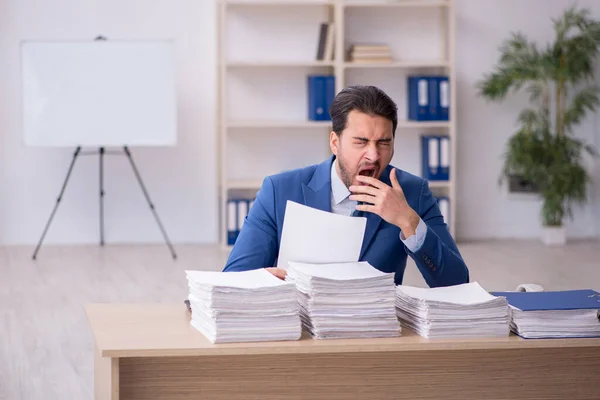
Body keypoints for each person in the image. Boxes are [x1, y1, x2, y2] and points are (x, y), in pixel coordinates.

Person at [222, 85, 469, 287]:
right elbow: (232, 281)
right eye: (360, 142)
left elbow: (457, 283)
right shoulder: (279, 190)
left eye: (383, 143)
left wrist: (408, 221)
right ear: (334, 142)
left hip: (372, 336)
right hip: (298, 330)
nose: (373, 155)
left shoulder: (412, 193)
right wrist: (263, 281)